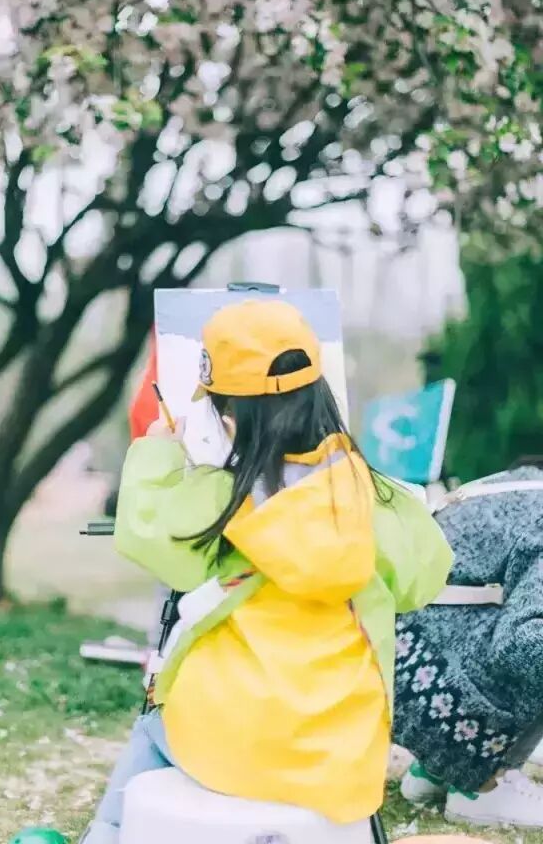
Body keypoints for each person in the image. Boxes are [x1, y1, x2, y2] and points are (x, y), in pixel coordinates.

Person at [81, 300, 452, 844]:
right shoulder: (371, 496)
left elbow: (147, 534)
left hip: (226, 745)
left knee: (152, 723)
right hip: (337, 753)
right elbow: (425, 578)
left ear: (229, 416)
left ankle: (107, 833)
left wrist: (158, 453)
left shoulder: (221, 498)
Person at [395, 460, 543, 828]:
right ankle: (485, 787)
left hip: (393, 657)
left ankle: (433, 772)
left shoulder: (517, 484)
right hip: (433, 688)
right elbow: (521, 643)